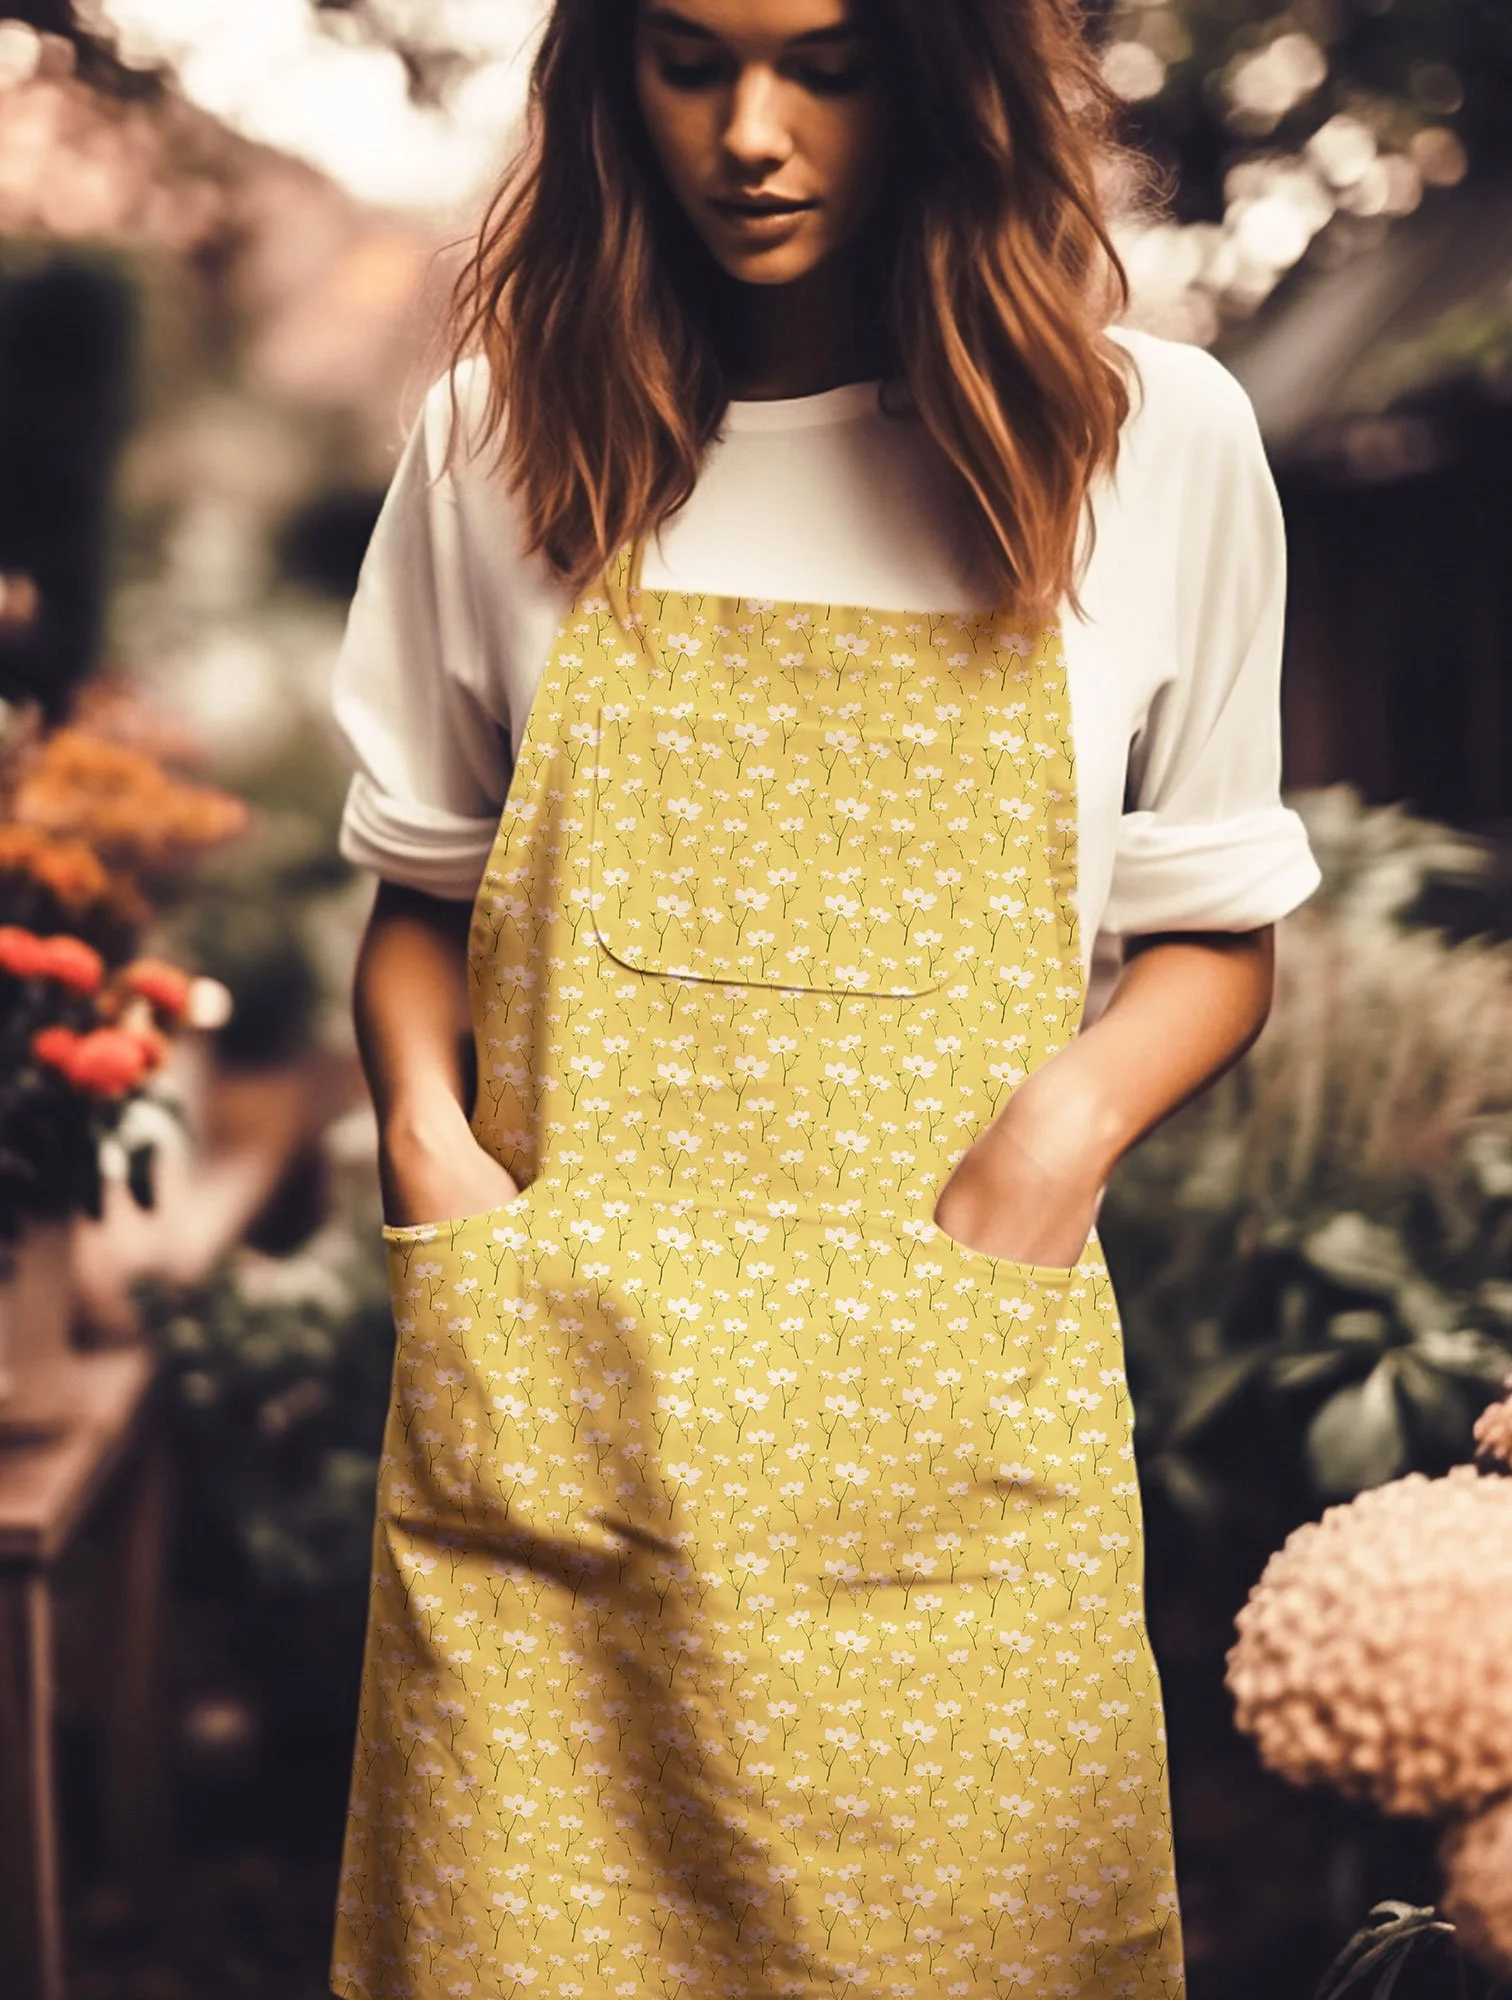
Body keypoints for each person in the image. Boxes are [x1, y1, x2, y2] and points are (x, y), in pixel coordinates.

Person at [329, 2, 1321, 1996]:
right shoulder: (499, 436)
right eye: (691, 63)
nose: (753, 135)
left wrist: (1054, 1142)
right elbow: (423, 896)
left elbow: (1219, 926)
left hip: (949, 1463)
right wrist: (437, 1162)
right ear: (612, 80)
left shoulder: (1153, 446)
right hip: (564, 1451)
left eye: (832, 66)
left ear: (943, 83)